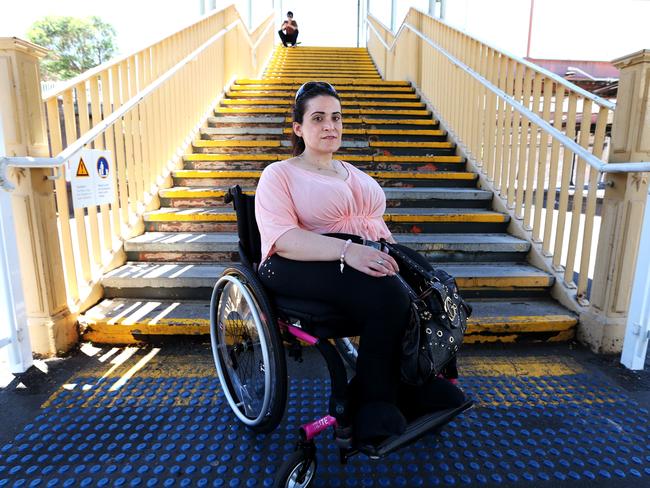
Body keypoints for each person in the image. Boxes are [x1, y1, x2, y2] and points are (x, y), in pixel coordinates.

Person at [255, 81, 465, 442]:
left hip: (359, 255)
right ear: (298, 128)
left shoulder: (353, 172)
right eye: (318, 118)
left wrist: (401, 263)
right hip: (297, 261)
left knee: (429, 287)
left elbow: (376, 228)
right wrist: (348, 251)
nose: (329, 126)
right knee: (388, 296)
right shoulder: (280, 173)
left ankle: (411, 384)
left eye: (336, 118)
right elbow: (284, 239)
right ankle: (368, 404)